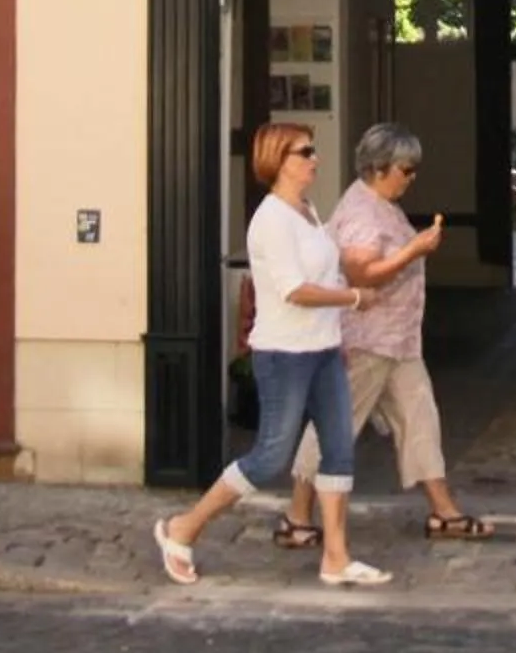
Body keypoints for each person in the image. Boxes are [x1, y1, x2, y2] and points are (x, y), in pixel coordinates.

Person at [152, 121, 391, 588]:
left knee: (339, 451)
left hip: (322, 351)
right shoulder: (270, 220)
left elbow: (328, 274)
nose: (314, 159)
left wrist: (338, 336)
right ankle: (183, 529)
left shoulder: (307, 210)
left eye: (313, 150)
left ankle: (336, 558)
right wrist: (356, 300)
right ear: (279, 160)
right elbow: (294, 291)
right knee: (269, 457)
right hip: (284, 355)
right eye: (305, 152)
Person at [281, 123, 493, 544]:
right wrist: (414, 250)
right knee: (334, 426)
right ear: (380, 167)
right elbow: (362, 272)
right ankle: (297, 516)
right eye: (406, 169)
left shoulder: (380, 202)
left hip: (397, 341)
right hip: (367, 341)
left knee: (419, 418)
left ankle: (443, 512)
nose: (412, 177)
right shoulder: (363, 211)